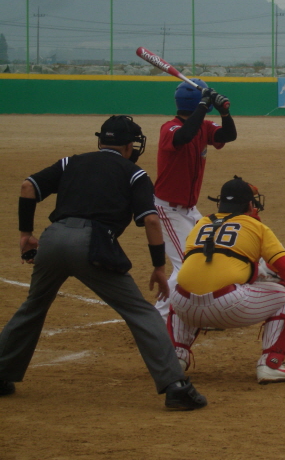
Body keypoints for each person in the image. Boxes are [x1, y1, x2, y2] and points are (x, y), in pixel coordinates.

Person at [0, 115, 206, 410]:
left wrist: (25, 235)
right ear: (128, 146)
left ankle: (1, 372)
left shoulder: (70, 162)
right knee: (140, 313)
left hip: (52, 239)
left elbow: (27, 187)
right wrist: (159, 267)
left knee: (33, 307)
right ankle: (176, 387)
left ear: (100, 141)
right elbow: (150, 219)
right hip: (93, 245)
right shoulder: (134, 174)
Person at [167, 176, 285, 384]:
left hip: (184, 306)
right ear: (250, 205)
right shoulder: (256, 227)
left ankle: (175, 357)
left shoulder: (201, 223)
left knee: (182, 288)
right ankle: (271, 364)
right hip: (227, 305)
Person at [154, 80, 237, 320]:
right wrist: (204, 104)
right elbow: (183, 136)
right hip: (167, 210)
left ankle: (201, 311)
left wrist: (225, 112)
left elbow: (228, 135)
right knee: (185, 267)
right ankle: (157, 319)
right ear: (197, 102)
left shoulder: (204, 125)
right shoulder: (169, 128)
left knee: (211, 253)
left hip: (189, 210)